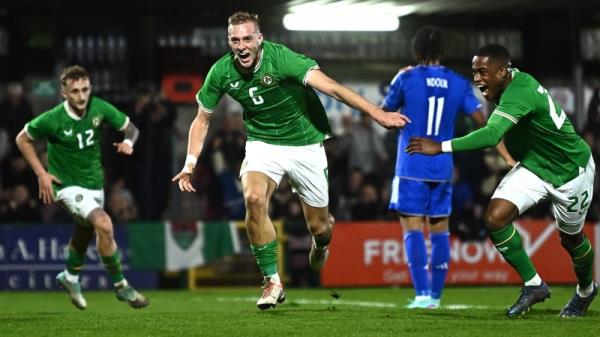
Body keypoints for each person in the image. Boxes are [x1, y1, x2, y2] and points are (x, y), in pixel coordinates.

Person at [172, 11, 409, 310]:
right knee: (254, 198)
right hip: (263, 143)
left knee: (319, 227)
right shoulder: (220, 72)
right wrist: (190, 163)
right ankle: (272, 281)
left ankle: (322, 242)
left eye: (248, 38)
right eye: (235, 40)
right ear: (229, 42)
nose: (242, 46)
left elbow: (333, 88)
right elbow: (202, 120)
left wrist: (378, 114)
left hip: (305, 144)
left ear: (260, 39)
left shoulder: (283, 59)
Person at [407, 44, 597, 318]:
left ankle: (586, 289)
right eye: (474, 73)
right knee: (495, 218)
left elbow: (492, 133)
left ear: (503, 72)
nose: (477, 79)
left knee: (571, 240)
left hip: (570, 172)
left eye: (483, 72)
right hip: (533, 167)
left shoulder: (520, 91)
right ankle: (534, 285)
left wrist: (440, 146)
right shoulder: (506, 84)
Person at [382, 26, 515, 309]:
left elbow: (384, 113)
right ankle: (436, 298)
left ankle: (421, 296)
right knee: (440, 228)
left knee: (413, 228)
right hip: (443, 166)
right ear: (442, 51)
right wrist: (506, 155)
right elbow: (485, 122)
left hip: (411, 164)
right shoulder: (458, 82)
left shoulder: (406, 77)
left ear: (416, 51)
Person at [15, 65, 148, 310]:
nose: (81, 96)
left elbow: (131, 128)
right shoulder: (53, 118)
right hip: (66, 185)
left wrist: (129, 142)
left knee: (86, 231)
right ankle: (121, 285)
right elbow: (22, 138)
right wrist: (41, 173)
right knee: (104, 223)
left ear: (91, 89)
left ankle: (70, 276)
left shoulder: (99, 108)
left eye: (85, 89)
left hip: (95, 183)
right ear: (64, 93)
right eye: (75, 91)